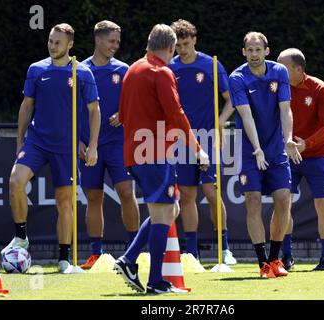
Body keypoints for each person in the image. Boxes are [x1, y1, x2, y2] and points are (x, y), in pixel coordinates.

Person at [114, 24, 209, 294]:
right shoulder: (161, 72)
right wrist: (197, 148)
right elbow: (176, 113)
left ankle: (130, 260)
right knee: (164, 212)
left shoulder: (132, 69)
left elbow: (122, 112)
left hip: (136, 151)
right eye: (175, 49)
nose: (174, 55)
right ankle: (155, 281)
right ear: (170, 47)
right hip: (153, 153)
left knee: (171, 209)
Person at [2, 23, 101, 273]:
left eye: (58, 42)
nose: (52, 45)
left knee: (64, 202)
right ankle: (21, 238)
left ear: (70, 44)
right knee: (15, 181)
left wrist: (92, 147)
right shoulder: (36, 70)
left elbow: (94, 110)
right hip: (37, 140)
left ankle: (64, 259)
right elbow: (27, 105)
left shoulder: (83, 73)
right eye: (50, 40)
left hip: (66, 147)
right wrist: (20, 139)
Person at [228, 32, 302, 279]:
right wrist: (257, 148)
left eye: (258, 49)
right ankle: (262, 264)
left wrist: (288, 139)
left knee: (283, 199)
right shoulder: (237, 77)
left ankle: (275, 260)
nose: (254, 54)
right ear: (244, 52)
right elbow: (246, 116)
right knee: (254, 201)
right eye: (250, 50)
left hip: (276, 148)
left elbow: (285, 109)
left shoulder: (279, 72)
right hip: (250, 151)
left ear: (266, 51)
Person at [168, 19, 236, 265]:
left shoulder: (211, 65)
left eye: (186, 44)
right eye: (178, 46)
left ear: (194, 40)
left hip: (208, 139)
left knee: (211, 192)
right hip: (180, 141)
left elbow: (231, 99)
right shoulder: (170, 67)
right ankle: (192, 253)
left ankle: (225, 249)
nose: (183, 50)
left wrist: (219, 121)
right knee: (186, 195)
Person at [79, 20, 140, 269]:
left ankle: (133, 251)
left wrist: (123, 114)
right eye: (111, 41)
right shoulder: (80, 70)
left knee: (127, 192)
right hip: (89, 145)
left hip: (118, 143)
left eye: (117, 41)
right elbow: (68, 109)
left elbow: (136, 102)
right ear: (98, 40)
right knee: (94, 197)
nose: (115, 46)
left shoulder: (124, 70)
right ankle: (96, 254)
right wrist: (77, 142)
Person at [277, 48, 324, 271]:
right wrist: (287, 145)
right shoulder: (278, 89)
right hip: (287, 156)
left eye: (283, 67)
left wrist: (305, 144)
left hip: (317, 156)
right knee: (283, 203)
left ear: (298, 69)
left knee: (322, 204)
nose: (278, 70)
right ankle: (287, 257)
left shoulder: (320, 89)